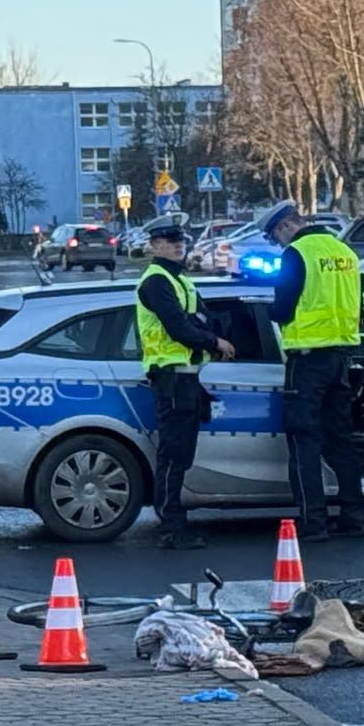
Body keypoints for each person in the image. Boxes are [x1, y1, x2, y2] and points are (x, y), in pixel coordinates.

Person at [262, 200, 364, 541]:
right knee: (341, 440)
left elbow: (282, 309)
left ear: (284, 228)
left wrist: (270, 309)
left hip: (306, 361)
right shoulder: (344, 251)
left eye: (275, 238)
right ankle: (356, 516)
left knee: (304, 441)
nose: (278, 245)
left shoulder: (296, 254)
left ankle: (314, 522)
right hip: (340, 358)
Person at [136, 216, 234, 550]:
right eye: (169, 240)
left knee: (182, 454)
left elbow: (202, 318)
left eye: (180, 240)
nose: (178, 245)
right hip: (170, 376)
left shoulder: (181, 280)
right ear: (154, 245)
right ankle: (171, 527)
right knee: (174, 454)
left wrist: (212, 333)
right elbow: (180, 328)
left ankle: (175, 522)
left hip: (187, 378)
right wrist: (214, 342)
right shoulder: (156, 281)